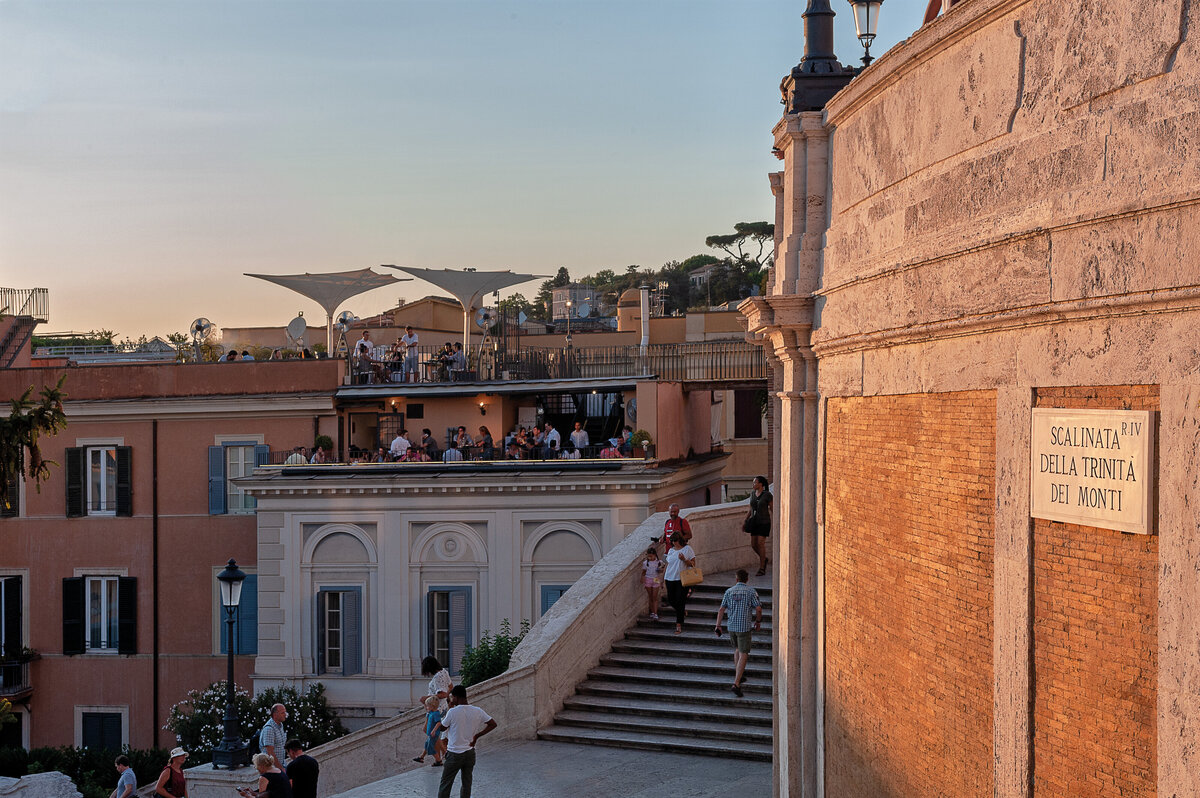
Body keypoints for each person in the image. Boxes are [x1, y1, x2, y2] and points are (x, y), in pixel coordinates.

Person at [432, 685, 497, 798]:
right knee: (467, 783)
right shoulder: (478, 710)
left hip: (454, 754)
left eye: (452, 697)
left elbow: (442, 728)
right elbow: (493, 724)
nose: (451, 700)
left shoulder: (453, 712)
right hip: (470, 753)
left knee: (446, 784)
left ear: (456, 697)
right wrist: (477, 736)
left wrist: (450, 708)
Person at [714, 569, 762, 697]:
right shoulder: (751, 591)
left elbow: (721, 609)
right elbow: (758, 608)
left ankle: (738, 676)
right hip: (744, 627)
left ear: (736, 579)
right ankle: (736, 683)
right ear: (747, 579)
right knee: (744, 653)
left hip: (732, 626)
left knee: (737, 649)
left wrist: (718, 625)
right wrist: (758, 621)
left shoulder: (729, 591)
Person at [663, 532, 696, 635]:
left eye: (675, 540)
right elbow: (667, 564)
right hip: (669, 577)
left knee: (680, 601)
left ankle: (678, 625)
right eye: (672, 541)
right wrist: (661, 578)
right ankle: (681, 612)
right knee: (671, 599)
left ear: (680, 540)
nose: (673, 543)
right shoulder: (671, 550)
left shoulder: (687, 549)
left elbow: (693, 563)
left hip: (682, 579)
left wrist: (684, 559)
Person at [422, 656, 454, 763]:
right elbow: (450, 686)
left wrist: (426, 698)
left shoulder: (437, 677)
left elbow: (442, 693)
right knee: (430, 732)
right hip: (441, 707)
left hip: (437, 709)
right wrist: (448, 700)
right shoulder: (444, 672)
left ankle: (442, 757)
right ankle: (439, 758)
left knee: (431, 733)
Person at [746, 475, 773, 576]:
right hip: (754, 522)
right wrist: (746, 519)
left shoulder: (767, 495)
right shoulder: (753, 494)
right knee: (754, 545)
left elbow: (772, 507)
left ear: (760, 484)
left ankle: (762, 568)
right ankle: (764, 558)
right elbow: (751, 508)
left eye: (755, 482)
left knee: (760, 543)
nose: (753, 484)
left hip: (764, 522)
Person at [412, 696, 444, 766]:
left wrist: (433, 731)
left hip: (434, 734)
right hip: (430, 734)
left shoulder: (436, 714)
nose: (426, 708)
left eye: (427, 706)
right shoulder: (431, 713)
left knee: (430, 747)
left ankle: (439, 761)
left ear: (432, 706)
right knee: (427, 745)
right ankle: (421, 757)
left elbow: (439, 723)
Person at [641, 546, 665, 620]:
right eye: (648, 556)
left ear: (655, 555)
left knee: (654, 597)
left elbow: (662, 569)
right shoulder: (645, 563)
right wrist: (642, 578)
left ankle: (655, 613)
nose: (650, 558)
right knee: (650, 596)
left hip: (655, 579)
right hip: (648, 579)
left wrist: (660, 570)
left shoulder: (659, 562)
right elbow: (643, 572)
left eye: (651, 556)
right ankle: (652, 612)